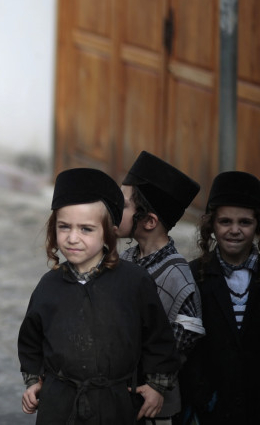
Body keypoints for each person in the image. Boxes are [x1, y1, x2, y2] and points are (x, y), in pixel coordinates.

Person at [18, 168, 180, 424]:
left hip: (115, 404)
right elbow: (30, 341)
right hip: (59, 405)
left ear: (109, 230)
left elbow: (158, 339)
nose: (73, 238)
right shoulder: (48, 286)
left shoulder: (134, 281)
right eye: (64, 227)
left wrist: (157, 386)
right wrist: (33, 382)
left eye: (86, 229)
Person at [117, 151, 204, 423]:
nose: (112, 209)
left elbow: (178, 347)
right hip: (118, 395)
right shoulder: (125, 259)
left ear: (150, 221)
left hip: (152, 406)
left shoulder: (179, 277)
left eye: (123, 205)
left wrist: (155, 384)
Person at [180, 171, 260, 424]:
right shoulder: (194, 275)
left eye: (245, 222)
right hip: (212, 410)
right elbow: (188, 349)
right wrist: (204, 397)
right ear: (211, 225)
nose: (234, 230)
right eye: (225, 221)